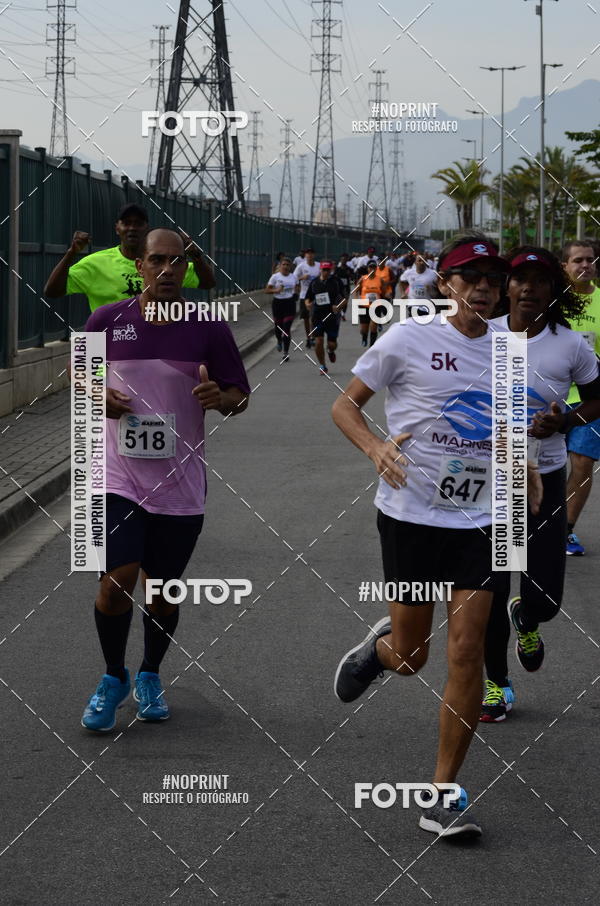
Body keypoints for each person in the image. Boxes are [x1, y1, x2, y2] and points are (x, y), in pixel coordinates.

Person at [332, 232, 513, 838]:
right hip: (410, 514)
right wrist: (376, 446)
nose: (484, 286)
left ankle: (442, 796)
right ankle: (380, 650)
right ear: (447, 284)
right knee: (413, 657)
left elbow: (507, 424)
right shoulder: (409, 336)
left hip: (483, 520)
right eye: (471, 276)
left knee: (467, 651)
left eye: (493, 277)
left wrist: (526, 475)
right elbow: (345, 406)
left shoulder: (510, 349)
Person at [77, 228, 250, 731]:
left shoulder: (208, 326)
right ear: (143, 267)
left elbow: (240, 394)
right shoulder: (108, 319)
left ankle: (150, 673)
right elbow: (78, 376)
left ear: (187, 269)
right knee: (116, 580)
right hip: (115, 476)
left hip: (179, 485)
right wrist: (96, 396)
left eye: (179, 263)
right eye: (159, 261)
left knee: (163, 591)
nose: (170, 270)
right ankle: (113, 678)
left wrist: (223, 400)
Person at [481, 247, 600, 723]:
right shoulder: (481, 337)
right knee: (487, 589)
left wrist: (565, 421)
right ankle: (496, 683)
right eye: (520, 279)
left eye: (540, 280)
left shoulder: (570, 344)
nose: (528, 288)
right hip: (491, 481)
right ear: (507, 286)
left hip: (545, 481)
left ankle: (528, 618)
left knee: (546, 598)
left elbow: (597, 399)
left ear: (554, 290)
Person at [44, 202, 215, 312]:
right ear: (117, 228)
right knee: (81, 366)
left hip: (149, 345)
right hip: (103, 345)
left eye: (138, 223)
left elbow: (208, 283)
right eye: (126, 223)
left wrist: (195, 254)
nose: (132, 228)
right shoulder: (95, 264)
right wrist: (71, 252)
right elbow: (52, 291)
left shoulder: (163, 265)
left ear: (147, 228)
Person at [561, 240, 600, 555]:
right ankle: (533, 525)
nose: (585, 265)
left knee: (583, 463)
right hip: (549, 395)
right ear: (564, 265)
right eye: (577, 260)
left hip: (590, 398)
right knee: (537, 465)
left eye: (589, 259)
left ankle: (566, 530)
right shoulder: (552, 302)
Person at [305, 261, 345, 374]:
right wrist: (307, 304)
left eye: (328, 270)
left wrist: (338, 306)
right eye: (324, 270)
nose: (326, 272)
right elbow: (308, 298)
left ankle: (331, 351)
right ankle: (322, 365)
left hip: (332, 316)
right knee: (318, 341)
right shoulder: (314, 282)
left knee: (332, 344)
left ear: (331, 270)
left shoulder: (336, 282)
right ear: (320, 270)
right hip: (318, 316)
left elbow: (344, 298)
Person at [265, 257, 299, 362]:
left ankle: (286, 352)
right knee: (278, 327)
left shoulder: (293, 277)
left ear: (290, 267)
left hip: (289, 303)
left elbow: (297, 287)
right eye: (283, 265)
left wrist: (296, 294)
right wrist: (276, 290)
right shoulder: (275, 277)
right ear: (280, 266)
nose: (285, 267)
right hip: (278, 304)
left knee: (286, 328)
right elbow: (267, 290)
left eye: (287, 265)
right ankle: (279, 340)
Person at [356, 261, 387, 347]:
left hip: (375, 306)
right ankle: (364, 338)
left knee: (373, 327)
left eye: (374, 267)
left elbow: (383, 291)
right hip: (363, 306)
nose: (372, 269)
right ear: (367, 269)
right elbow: (356, 289)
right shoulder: (363, 278)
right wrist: (356, 298)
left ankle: (371, 346)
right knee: (363, 330)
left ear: (376, 268)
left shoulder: (380, 280)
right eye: (370, 267)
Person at [293, 248, 320, 348]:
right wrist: (302, 278)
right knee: (306, 318)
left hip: (316, 295)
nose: (309, 255)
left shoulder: (318, 265)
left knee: (313, 317)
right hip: (304, 295)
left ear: (314, 255)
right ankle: (309, 338)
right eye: (308, 254)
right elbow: (293, 277)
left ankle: (313, 336)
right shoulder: (301, 266)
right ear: (305, 256)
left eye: (311, 253)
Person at [336, 253, 353, 320]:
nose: (344, 260)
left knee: (345, 302)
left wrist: (350, 275)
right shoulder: (337, 269)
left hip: (346, 288)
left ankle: (343, 312)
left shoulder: (349, 269)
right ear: (340, 260)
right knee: (339, 301)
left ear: (347, 260)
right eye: (342, 259)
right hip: (338, 288)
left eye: (345, 259)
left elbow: (353, 278)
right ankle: (340, 313)